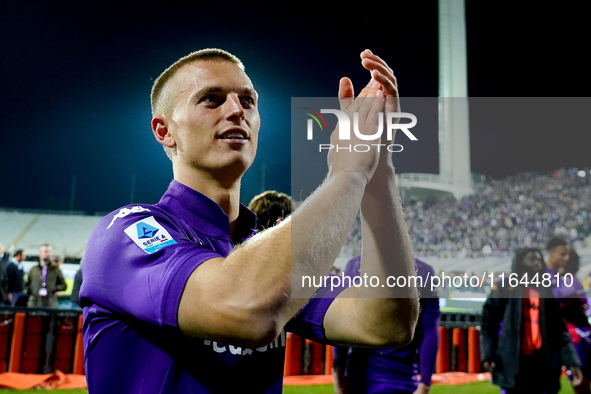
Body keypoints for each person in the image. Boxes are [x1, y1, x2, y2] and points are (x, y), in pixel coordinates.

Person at [79, 48, 419, 393]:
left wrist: (378, 172)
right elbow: (247, 307)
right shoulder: (124, 233)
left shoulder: (267, 252)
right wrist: (346, 173)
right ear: (164, 130)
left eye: (248, 101)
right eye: (212, 99)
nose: (236, 110)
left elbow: (383, 324)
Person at [480, 247, 584, 393]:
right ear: (520, 262)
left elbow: (560, 331)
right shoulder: (504, 287)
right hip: (513, 363)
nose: (538, 263)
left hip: (542, 364)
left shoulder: (547, 291)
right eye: (532, 259)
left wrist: (572, 362)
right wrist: (488, 354)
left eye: (539, 259)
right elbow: (488, 323)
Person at [332, 256, 440, 394]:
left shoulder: (355, 266)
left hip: (360, 379)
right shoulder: (423, 271)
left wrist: (338, 374)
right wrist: (424, 383)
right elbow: (430, 331)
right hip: (400, 378)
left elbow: (342, 324)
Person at [553, 249, 591, 393]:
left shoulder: (567, 280)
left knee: (579, 376)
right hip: (582, 333)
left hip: (575, 336)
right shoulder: (573, 280)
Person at [26, 244, 67, 308]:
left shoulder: (56, 269)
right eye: (45, 251)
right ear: (39, 254)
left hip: (50, 304)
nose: (48, 254)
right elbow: (27, 284)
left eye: (49, 252)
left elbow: (63, 285)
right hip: (35, 304)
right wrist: (33, 292)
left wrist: (53, 289)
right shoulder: (34, 269)